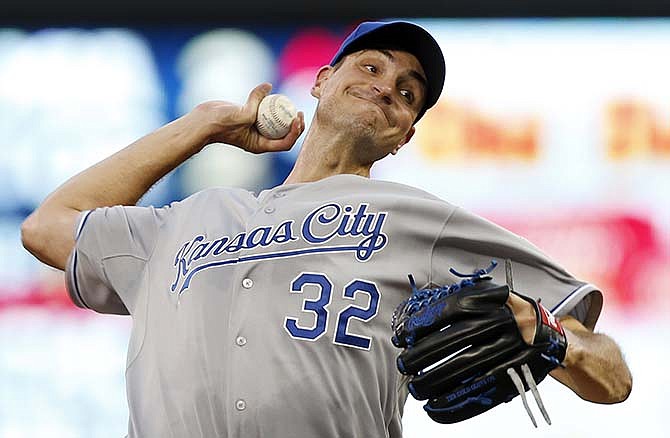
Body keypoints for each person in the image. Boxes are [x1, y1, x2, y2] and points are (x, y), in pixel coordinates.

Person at [21, 21, 631, 438]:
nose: (386, 87)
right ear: (320, 82)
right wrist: (203, 124)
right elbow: (50, 227)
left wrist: (556, 337)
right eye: (370, 65)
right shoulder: (187, 221)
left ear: (405, 134)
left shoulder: (421, 219)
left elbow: (614, 377)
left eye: (407, 92)